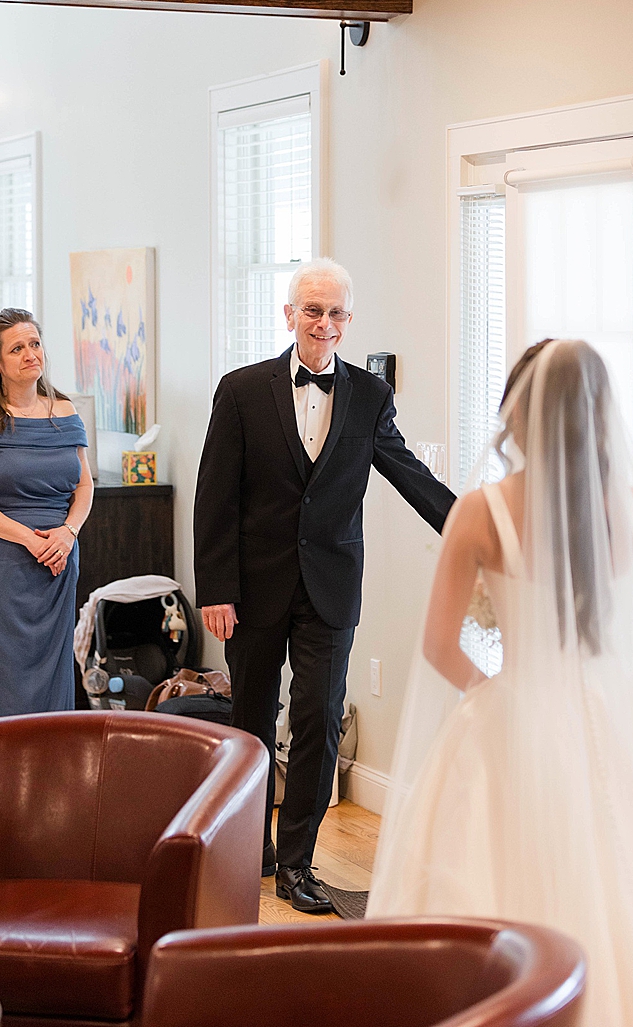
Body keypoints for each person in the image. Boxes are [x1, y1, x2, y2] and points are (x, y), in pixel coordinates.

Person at [367, 339, 633, 1027]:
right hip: (628, 710)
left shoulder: (483, 511)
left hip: (518, 712)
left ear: (518, 414)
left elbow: (437, 644)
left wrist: (493, 694)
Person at [194, 258, 454, 914]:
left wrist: (472, 523)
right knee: (252, 718)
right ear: (289, 315)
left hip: (331, 586)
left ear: (348, 319)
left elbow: (408, 472)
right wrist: (216, 588)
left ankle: (296, 863)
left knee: (319, 716)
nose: (324, 323)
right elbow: (215, 496)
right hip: (252, 587)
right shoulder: (241, 390)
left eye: (336, 312)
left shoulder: (369, 395)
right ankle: (247, 845)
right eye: (313, 310)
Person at [0, 308, 91, 718]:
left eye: (35, 343)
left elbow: (84, 486)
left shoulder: (65, 411)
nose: (31, 354)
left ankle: (51, 757)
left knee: (53, 671)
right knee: (5, 675)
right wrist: (30, 540)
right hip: (3, 562)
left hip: (59, 561)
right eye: (17, 348)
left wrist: (69, 532)